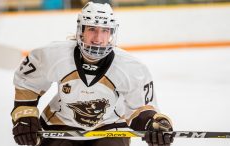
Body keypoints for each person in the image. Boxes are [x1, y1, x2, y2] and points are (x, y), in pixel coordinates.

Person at [11, 2, 174, 146]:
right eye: (92, 29)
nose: (98, 38)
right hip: (59, 124)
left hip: (110, 127)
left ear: (111, 33)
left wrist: (155, 124)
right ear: (81, 30)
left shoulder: (131, 67)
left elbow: (141, 108)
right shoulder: (54, 55)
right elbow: (28, 83)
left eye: (105, 30)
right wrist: (25, 115)